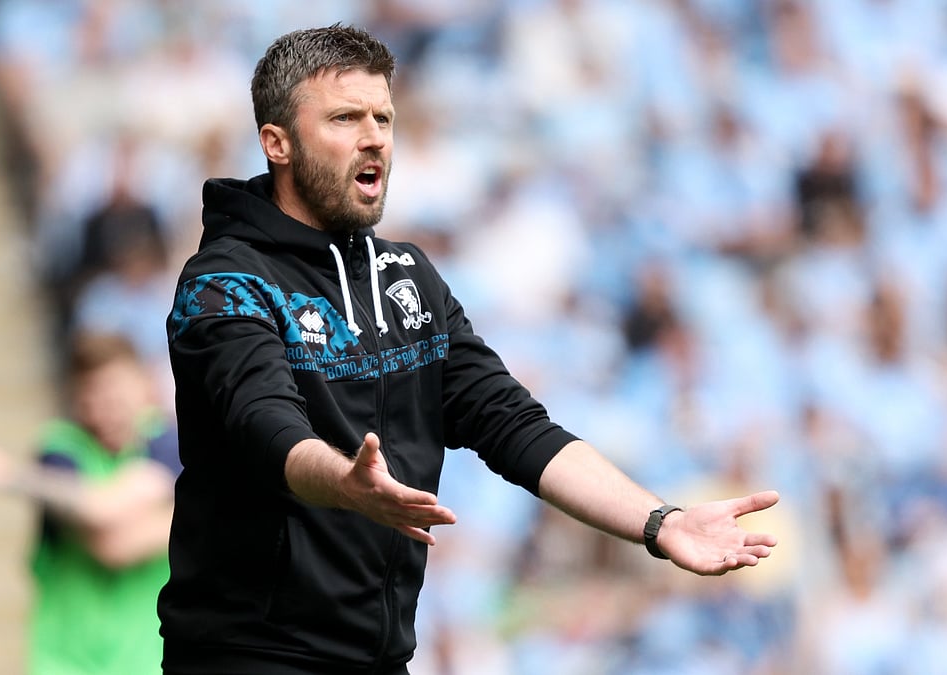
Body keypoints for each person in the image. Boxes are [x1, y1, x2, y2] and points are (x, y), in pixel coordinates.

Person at [159, 23, 780, 674]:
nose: (374, 136)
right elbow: (264, 424)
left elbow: (512, 423)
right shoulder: (225, 284)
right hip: (248, 657)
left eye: (383, 117)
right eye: (345, 117)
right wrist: (342, 481)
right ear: (276, 144)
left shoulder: (407, 278)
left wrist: (660, 522)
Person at [0, 332, 180, 675]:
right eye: (95, 396)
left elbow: (105, 508)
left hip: (150, 662)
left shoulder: (165, 441)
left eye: (117, 393)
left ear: (143, 385)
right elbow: (109, 538)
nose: (108, 409)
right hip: (65, 663)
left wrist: (9, 474)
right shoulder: (60, 450)